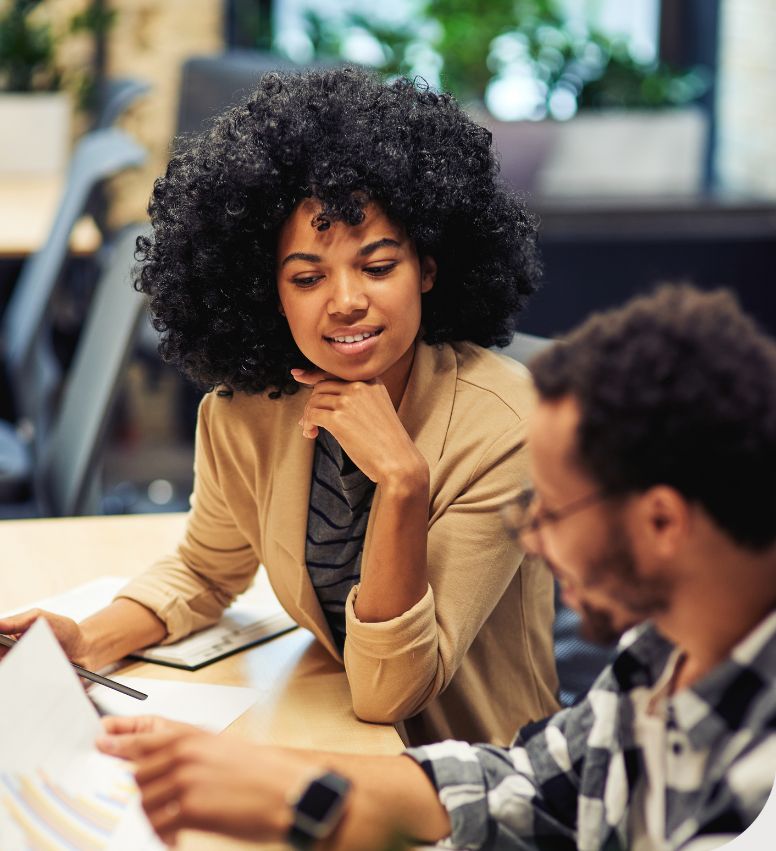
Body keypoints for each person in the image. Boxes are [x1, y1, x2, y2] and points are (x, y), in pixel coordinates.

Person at [98, 285, 776, 850]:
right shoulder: (665, 655)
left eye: (551, 512)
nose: (532, 543)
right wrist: (275, 781)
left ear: (662, 521)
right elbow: (532, 787)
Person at [0, 66, 559, 746]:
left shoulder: (501, 422)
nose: (347, 299)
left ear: (429, 268)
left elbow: (392, 692)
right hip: (332, 737)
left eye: (378, 266)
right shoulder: (249, 411)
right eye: (307, 276)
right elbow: (206, 569)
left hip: (478, 783)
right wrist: (84, 640)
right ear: (269, 289)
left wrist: (404, 483)